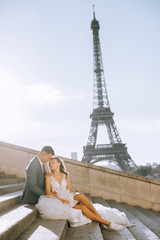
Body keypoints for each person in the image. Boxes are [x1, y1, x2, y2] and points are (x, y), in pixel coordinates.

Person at [36, 156, 135, 230]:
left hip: (67, 196)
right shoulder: (48, 176)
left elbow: (69, 189)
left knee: (81, 195)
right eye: (49, 164)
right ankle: (106, 223)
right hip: (57, 200)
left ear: (59, 164)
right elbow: (49, 192)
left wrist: (73, 193)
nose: (51, 165)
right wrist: (62, 200)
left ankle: (98, 217)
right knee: (83, 208)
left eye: (53, 162)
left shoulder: (65, 175)